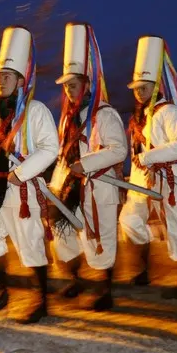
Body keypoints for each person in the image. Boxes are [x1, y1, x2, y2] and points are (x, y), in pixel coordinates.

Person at [0, 26, 59, 324]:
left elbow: (51, 148)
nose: (0, 82)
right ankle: (1, 291)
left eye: (6, 77)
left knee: (31, 246)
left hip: (22, 193)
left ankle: (42, 300)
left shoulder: (36, 111)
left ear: (21, 80)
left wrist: (19, 174)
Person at [50, 23, 128, 311]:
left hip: (99, 187)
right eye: (67, 86)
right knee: (66, 235)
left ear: (87, 85)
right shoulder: (66, 117)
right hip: (70, 188)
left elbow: (118, 150)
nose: (69, 91)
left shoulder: (105, 114)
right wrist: (56, 184)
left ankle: (105, 289)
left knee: (101, 236)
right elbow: (63, 154)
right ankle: (76, 279)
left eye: (74, 85)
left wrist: (86, 163)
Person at [120, 36, 177, 299]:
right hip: (141, 180)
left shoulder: (171, 112)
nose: (139, 92)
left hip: (169, 178)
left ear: (156, 87)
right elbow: (136, 153)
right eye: (137, 88)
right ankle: (145, 268)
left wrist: (150, 157)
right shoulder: (136, 119)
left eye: (145, 87)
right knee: (129, 220)